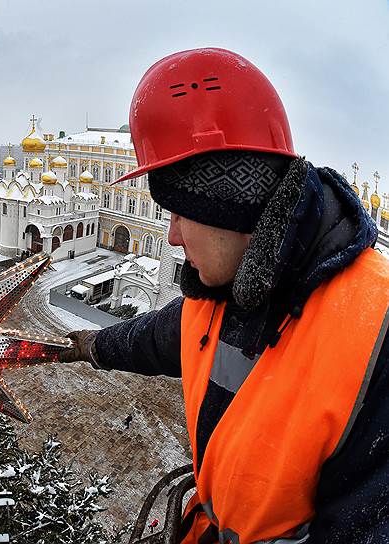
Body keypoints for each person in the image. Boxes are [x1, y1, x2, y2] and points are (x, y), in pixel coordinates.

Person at [59, 48, 389, 543]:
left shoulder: (376, 330)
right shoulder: (225, 293)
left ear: (226, 205)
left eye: (176, 212)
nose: (170, 236)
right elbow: (158, 336)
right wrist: (85, 346)